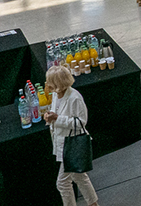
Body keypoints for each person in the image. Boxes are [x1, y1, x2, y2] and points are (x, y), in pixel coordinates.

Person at [42, 66, 99, 206]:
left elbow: (81, 122)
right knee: (79, 177)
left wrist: (57, 118)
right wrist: (50, 117)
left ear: (58, 83)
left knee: (62, 183)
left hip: (72, 145)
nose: (47, 84)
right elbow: (56, 112)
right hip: (63, 143)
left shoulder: (75, 98)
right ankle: (94, 204)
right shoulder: (56, 95)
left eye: (49, 81)